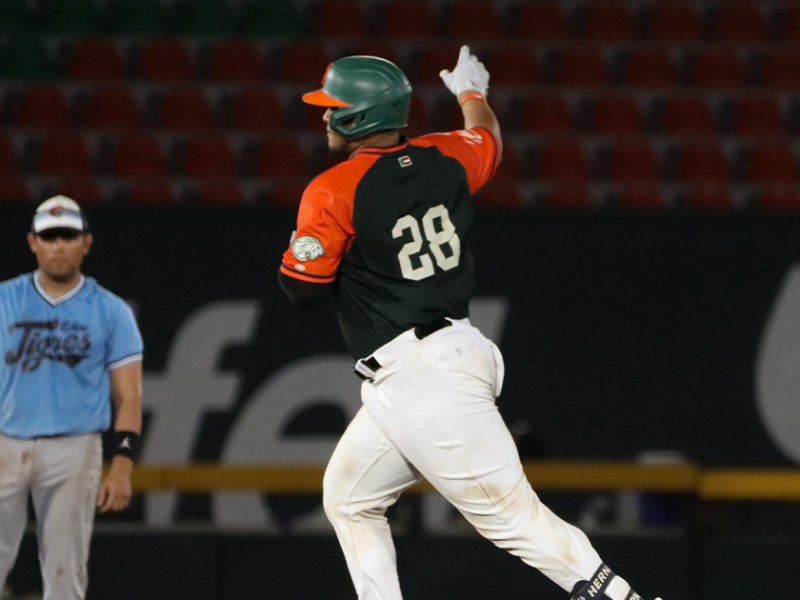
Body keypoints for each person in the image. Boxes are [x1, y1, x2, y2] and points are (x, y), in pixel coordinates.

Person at [279, 47, 661, 600]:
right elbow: (489, 139)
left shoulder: (333, 189)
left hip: (423, 378)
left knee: (515, 519)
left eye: (332, 106)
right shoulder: (446, 156)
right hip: (441, 356)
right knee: (349, 498)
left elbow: (301, 290)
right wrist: (471, 92)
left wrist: (303, 240)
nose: (323, 115)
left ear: (358, 118)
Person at [0, 196, 143, 600]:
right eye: (49, 236)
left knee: (66, 574)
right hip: (5, 443)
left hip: (75, 448)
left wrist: (122, 467)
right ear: (32, 242)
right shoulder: (4, 301)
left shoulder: (110, 310)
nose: (58, 245)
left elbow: (128, 395)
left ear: (86, 242)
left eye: (68, 236)